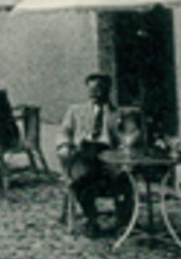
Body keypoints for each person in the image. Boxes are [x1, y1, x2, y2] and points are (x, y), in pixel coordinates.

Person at [56, 73, 133, 234]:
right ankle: (92, 219)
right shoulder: (76, 110)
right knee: (84, 170)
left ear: (107, 90)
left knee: (122, 182)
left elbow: (132, 133)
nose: (94, 93)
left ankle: (119, 221)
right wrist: (63, 145)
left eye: (99, 89)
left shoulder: (118, 113)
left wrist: (127, 142)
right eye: (91, 89)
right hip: (83, 153)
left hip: (108, 156)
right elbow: (64, 131)